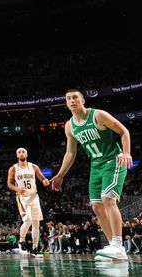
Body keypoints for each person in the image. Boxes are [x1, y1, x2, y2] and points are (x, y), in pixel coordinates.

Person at [51, 88, 132, 260]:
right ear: (66, 103)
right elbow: (70, 153)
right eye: (68, 98)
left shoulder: (98, 115)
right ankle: (113, 247)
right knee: (96, 206)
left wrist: (126, 153)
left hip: (113, 160)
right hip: (95, 164)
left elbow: (124, 131)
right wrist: (60, 175)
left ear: (82, 101)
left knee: (108, 199)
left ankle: (118, 245)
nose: (72, 100)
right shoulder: (69, 126)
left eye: (75, 97)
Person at [6, 147, 49, 257]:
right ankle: (21, 240)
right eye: (19, 152)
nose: (21, 153)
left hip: (34, 196)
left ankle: (35, 249)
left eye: (23, 151)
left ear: (27, 154)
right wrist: (17, 189)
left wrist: (45, 181)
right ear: (17, 155)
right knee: (28, 220)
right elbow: (9, 184)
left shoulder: (33, 167)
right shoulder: (13, 169)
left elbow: (42, 178)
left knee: (36, 223)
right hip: (22, 198)